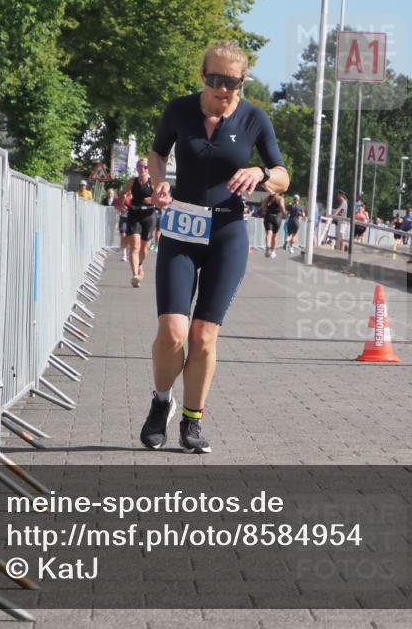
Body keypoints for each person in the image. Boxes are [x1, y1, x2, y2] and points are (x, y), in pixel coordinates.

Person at [140, 41, 289, 453]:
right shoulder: (180, 110)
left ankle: (192, 421)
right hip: (180, 231)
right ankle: (160, 402)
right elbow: (157, 152)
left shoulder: (254, 118)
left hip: (227, 235)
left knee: (204, 335)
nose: (225, 90)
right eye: (216, 80)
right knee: (173, 331)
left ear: (243, 81)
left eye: (234, 82)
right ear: (203, 76)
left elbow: (282, 174)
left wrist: (261, 173)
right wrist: (159, 184)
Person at [122, 160, 157, 287]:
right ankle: (135, 275)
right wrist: (121, 204)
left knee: (145, 248)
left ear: (148, 169)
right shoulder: (132, 181)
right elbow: (123, 193)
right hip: (134, 214)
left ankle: (140, 264)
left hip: (149, 216)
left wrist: (153, 199)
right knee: (135, 245)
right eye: (140, 166)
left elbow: (164, 199)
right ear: (137, 168)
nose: (142, 168)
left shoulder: (152, 182)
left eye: (145, 166)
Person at [261, 191, 286, 258]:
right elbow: (282, 208)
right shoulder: (280, 198)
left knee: (269, 233)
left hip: (268, 216)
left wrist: (267, 210)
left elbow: (262, 207)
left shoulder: (267, 198)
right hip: (277, 217)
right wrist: (284, 214)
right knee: (274, 236)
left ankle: (268, 247)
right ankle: (273, 251)